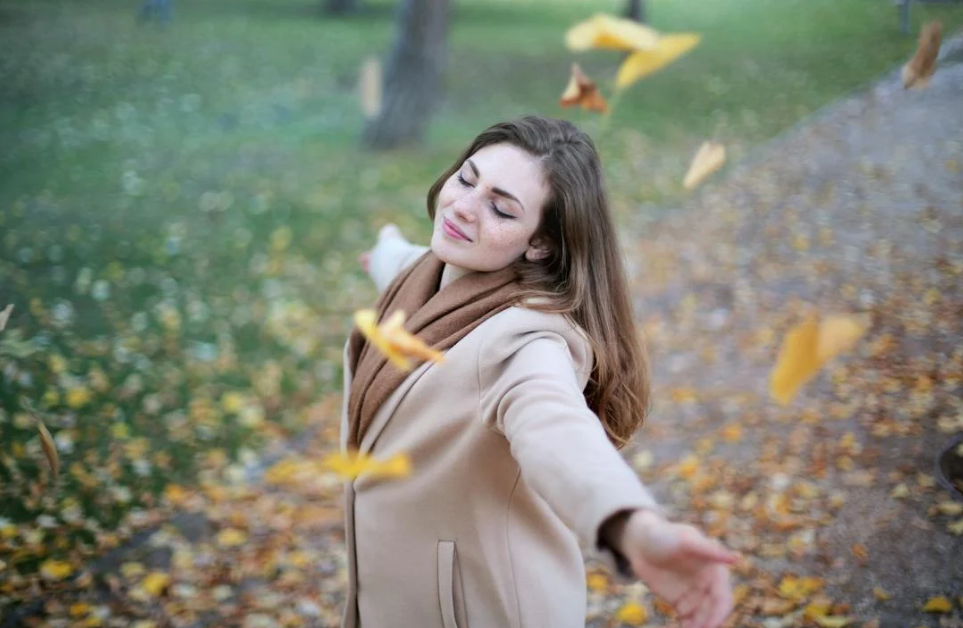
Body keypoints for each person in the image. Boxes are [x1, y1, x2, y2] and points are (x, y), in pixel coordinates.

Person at [342, 115, 739, 628]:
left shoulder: (526, 340)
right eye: (466, 179)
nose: (462, 206)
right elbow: (402, 262)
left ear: (540, 245)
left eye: (501, 208)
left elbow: (556, 430)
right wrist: (384, 249)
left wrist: (634, 528)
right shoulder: (422, 274)